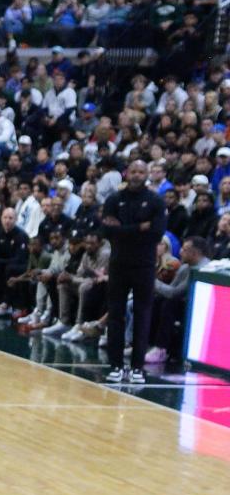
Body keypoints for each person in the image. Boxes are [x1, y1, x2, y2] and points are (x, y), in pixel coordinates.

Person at [101, 159, 168, 384]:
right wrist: (139, 227)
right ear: (127, 173)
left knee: (142, 315)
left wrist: (123, 229)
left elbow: (156, 234)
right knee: (116, 315)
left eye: (141, 171)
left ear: (147, 174)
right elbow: (107, 231)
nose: (137, 175)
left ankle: (137, 367)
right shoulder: (114, 199)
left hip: (144, 265)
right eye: (134, 171)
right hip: (118, 263)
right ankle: (116, 365)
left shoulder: (155, 202)